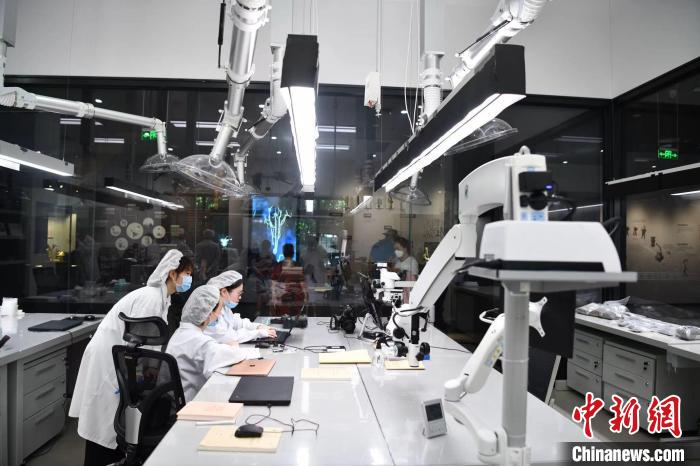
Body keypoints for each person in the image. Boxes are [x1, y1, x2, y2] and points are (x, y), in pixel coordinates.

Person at [69, 249, 193, 466]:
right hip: (108, 362)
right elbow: (141, 346)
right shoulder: (150, 298)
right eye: (187, 274)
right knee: (104, 421)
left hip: (118, 360)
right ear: (172, 274)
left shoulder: (162, 298)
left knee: (111, 421)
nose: (189, 279)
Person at [165, 285, 259, 402]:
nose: (219, 316)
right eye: (219, 312)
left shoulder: (182, 332)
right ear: (208, 313)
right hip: (192, 402)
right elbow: (230, 354)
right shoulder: (200, 341)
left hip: (175, 400)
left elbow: (213, 350)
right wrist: (237, 349)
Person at [205, 270, 277, 343]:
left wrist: (257, 326)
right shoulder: (209, 313)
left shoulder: (224, 308)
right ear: (224, 292)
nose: (240, 297)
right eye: (239, 293)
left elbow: (237, 323)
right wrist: (258, 332)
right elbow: (228, 337)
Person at [270, 243, 307, 316]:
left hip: (282, 297)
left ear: (283, 253)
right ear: (293, 253)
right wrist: (305, 296)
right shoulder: (297, 265)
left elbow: (273, 284)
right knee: (294, 319)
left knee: (282, 319)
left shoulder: (278, 266)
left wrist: (273, 297)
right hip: (296, 298)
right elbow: (302, 283)